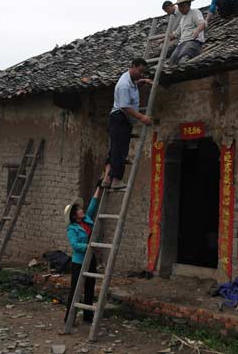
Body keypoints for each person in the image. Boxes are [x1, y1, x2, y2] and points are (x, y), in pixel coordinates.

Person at [102, 58, 153, 190]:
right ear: (133, 67)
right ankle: (116, 181)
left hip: (119, 118)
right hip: (120, 118)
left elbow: (134, 84)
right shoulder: (124, 84)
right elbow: (125, 107)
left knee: (114, 150)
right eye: (140, 72)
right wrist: (142, 117)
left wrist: (142, 82)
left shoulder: (130, 80)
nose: (141, 75)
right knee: (120, 151)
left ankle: (107, 178)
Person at [63, 182, 101, 324]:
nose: (82, 210)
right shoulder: (72, 229)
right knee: (75, 290)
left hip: (90, 259)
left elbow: (93, 205)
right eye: (79, 210)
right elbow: (75, 245)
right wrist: (89, 246)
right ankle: (69, 318)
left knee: (90, 287)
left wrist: (98, 187)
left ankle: (87, 316)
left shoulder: (86, 220)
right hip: (79, 262)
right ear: (74, 215)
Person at [169, 0, 206, 65]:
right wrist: (166, 38)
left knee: (183, 59)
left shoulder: (195, 12)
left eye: (182, 6)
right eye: (179, 7)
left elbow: (202, 23)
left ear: (189, 4)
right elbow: (177, 33)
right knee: (172, 61)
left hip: (193, 41)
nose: (180, 9)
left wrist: (197, 30)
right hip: (182, 43)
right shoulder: (183, 18)